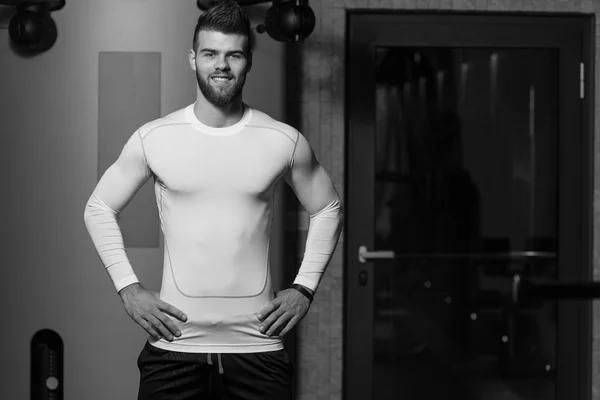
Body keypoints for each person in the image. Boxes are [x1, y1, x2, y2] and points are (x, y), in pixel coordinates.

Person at [82, 0, 344, 399]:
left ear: (248, 61)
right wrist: (128, 289)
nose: (221, 65)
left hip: (258, 349)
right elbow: (99, 208)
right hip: (174, 348)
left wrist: (304, 288)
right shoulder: (155, 137)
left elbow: (328, 207)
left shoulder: (282, 140)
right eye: (210, 54)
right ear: (193, 59)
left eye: (233, 54)